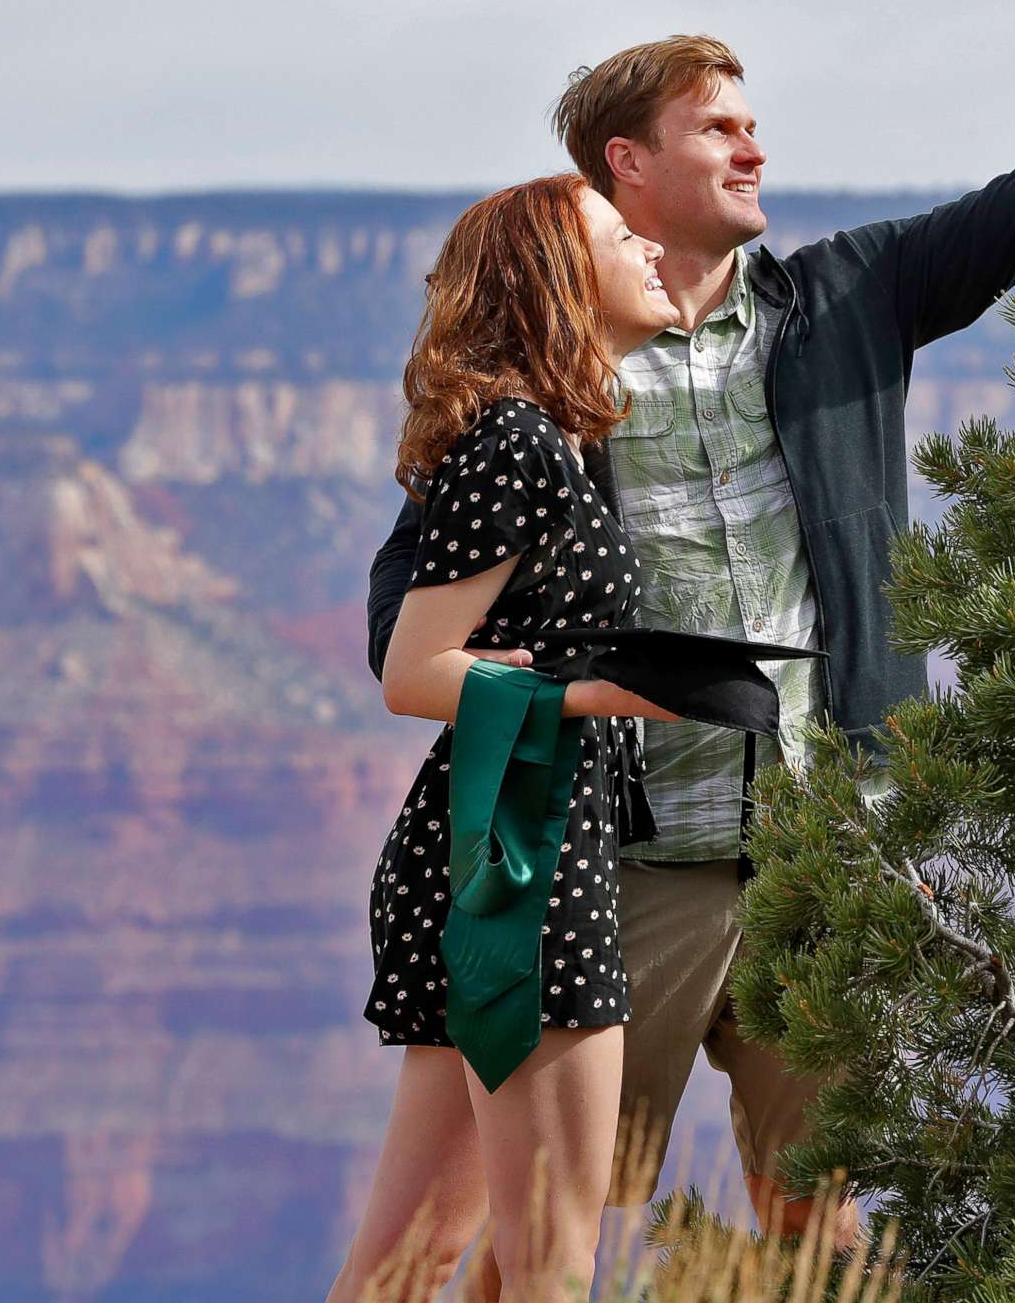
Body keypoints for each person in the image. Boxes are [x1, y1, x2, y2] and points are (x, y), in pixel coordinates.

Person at [366, 0, 1015, 1245]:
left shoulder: (853, 296)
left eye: (753, 123)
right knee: (538, 1233)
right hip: (621, 865)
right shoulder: (550, 373)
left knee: (819, 1223)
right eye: (717, 128)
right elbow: (410, 621)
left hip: (824, 858)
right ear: (627, 165)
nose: (754, 148)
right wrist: (584, 697)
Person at [328, 173, 687, 1303]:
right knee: (549, 1261)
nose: (653, 250)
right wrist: (608, 693)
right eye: (624, 236)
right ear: (556, 280)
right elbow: (414, 671)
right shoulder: (520, 444)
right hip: (519, 859)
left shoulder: (563, 442)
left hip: (515, 844)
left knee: (410, 1264)